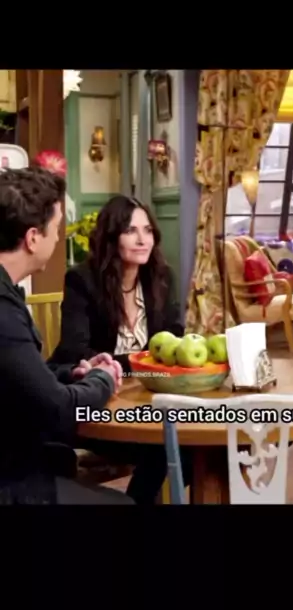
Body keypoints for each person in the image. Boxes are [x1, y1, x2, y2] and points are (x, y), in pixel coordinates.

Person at [0, 166, 133, 505]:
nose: (58, 238)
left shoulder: (8, 293)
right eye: (56, 228)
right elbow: (58, 410)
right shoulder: (3, 310)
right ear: (33, 238)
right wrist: (103, 378)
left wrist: (71, 374)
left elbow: (21, 380)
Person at [50, 195, 190, 504]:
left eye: (148, 230)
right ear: (112, 237)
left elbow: (174, 337)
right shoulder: (82, 280)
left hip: (146, 399)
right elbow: (76, 351)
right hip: (94, 404)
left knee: (188, 443)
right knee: (168, 445)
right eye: (131, 231)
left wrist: (138, 363)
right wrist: (142, 361)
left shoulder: (161, 277)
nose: (143, 240)